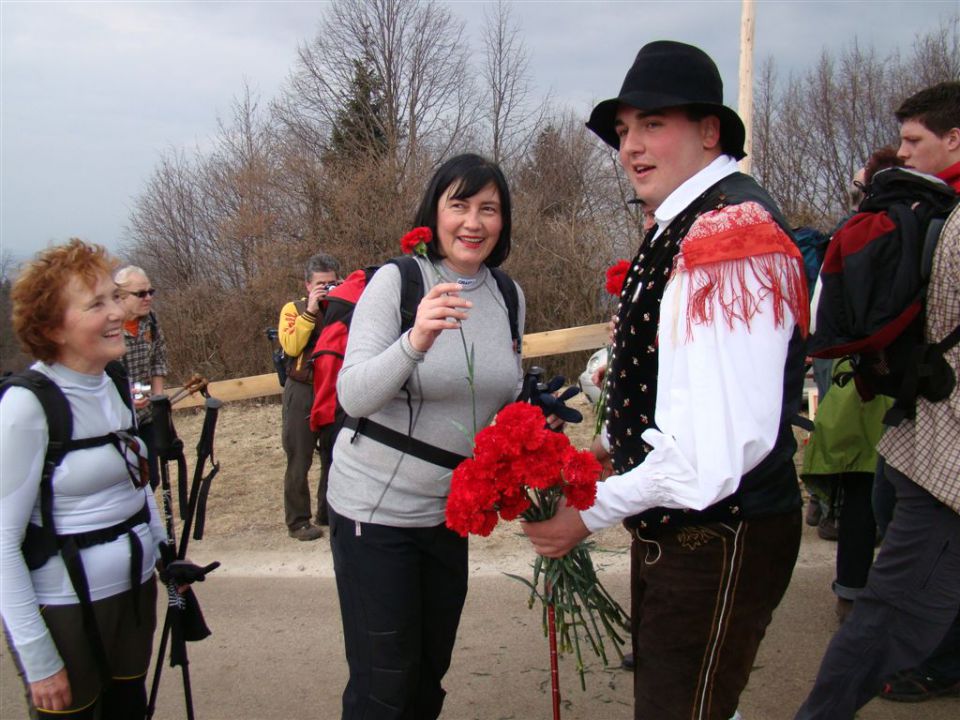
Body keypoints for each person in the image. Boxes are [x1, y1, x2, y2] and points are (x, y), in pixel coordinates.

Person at [522, 41, 809, 720]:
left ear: (710, 132)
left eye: (654, 124)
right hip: (680, 527)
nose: (630, 146)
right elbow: (675, 395)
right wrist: (608, 453)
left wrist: (587, 515)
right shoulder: (682, 227)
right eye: (624, 131)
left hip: (723, 528)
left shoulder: (728, 239)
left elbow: (713, 452)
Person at [327, 153, 525, 719]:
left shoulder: (508, 296)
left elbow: (498, 398)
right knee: (382, 686)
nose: (473, 222)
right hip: (374, 512)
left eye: (488, 208)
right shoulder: (398, 281)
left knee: (426, 679)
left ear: (503, 221)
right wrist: (415, 339)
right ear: (434, 214)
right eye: (458, 205)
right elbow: (354, 395)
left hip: (448, 516)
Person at [796, 80, 960, 718]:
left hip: (921, 437)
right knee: (890, 615)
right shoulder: (944, 220)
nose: (904, 152)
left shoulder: (933, 217)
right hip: (944, 459)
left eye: (914, 140)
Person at [1, 240, 167, 719]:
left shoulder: (113, 383)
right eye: (97, 304)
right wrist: (37, 658)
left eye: (114, 297)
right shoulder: (27, 407)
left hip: (133, 596)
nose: (117, 312)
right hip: (66, 610)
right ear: (52, 328)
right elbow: (2, 541)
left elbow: (136, 487)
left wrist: (163, 558)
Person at [278, 253, 341, 540]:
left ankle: (328, 511)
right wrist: (311, 311)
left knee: (334, 453)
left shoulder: (343, 307)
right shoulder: (293, 309)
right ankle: (298, 521)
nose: (326, 288)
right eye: (320, 284)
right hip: (302, 388)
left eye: (331, 283)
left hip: (334, 387)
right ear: (307, 285)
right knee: (299, 456)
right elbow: (291, 346)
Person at [115, 265, 167, 490]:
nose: (148, 298)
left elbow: (158, 360)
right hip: (118, 420)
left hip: (146, 415)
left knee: (151, 478)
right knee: (127, 480)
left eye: (150, 292)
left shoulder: (151, 322)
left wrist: (157, 399)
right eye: (140, 294)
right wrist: (127, 400)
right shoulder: (108, 327)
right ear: (120, 297)